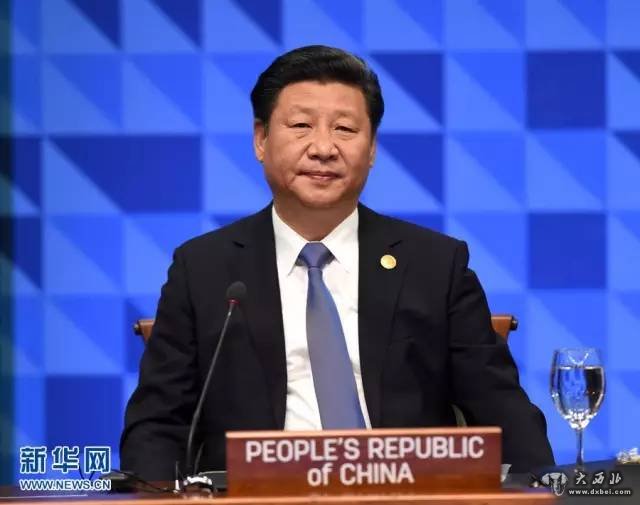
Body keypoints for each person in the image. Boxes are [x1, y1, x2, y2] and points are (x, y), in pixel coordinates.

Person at [120, 45, 554, 480]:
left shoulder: (435, 265)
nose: (324, 148)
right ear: (260, 139)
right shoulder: (203, 269)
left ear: (372, 148)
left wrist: (543, 491)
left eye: (345, 129)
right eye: (301, 126)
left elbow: (502, 410)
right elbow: (156, 425)